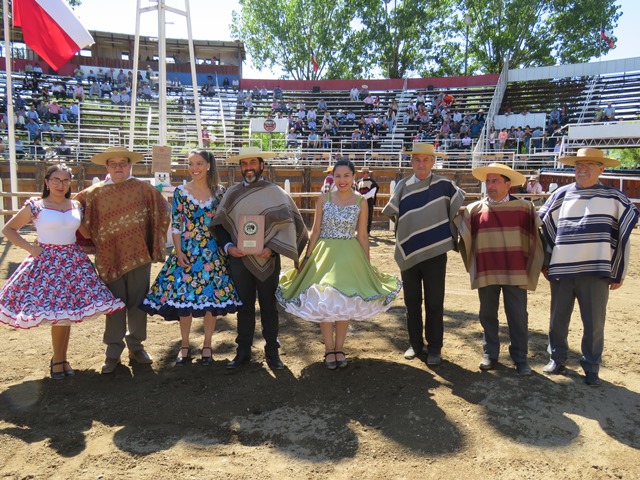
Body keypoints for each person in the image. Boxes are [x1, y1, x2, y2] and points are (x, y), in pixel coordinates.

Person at [0, 165, 124, 379]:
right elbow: (8, 229)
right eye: (56, 180)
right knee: (59, 314)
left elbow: (86, 232)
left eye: (65, 180)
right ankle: (58, 360)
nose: (61, 184)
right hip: (47, 265)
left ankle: (61, 358)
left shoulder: (75, 205)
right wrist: (30, 248)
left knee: (64, 314)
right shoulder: (36, 206)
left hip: (73, 264)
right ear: (47, 182)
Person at [277, 160, 401, 369]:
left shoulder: (361, 201)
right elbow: (315, 231)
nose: (342, 180)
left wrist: (366, 264)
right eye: (338, 176)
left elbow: (362, 235)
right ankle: (328, 350)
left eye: (346, 176)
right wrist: (306, 258)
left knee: (344, 301)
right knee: (325, 301)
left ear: (354, 177)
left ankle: (340, 348)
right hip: (323, 255)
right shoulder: (323, 198)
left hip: (349, 255)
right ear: (333, 177)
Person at [538, 148, 639, 386]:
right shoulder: (561, 195)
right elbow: (544, 230)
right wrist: (545, 262)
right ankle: (557, 358)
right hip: (561, 270)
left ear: (602, 169)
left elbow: (624, 238)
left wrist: (619, 271)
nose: (582, 169)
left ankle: (592, 366)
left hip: (596, 272)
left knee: (594, 323)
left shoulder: (615, 198)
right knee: (557, 319)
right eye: (578, 165)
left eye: (589, 165)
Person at [75, 146, 171, 374]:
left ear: (130, 166)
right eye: (113, 164)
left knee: (138, 303)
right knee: (114, 305)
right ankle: (113, 351)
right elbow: (72, 208)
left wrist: (152, 242)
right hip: (109, 257)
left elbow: (164, 210)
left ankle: (136, 346)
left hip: (139, 255)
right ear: (107, 167)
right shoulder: (94, 193)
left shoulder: (143, 189)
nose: (118, 168)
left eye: (123, 163)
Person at [142, 150, 242, 366]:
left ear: (208, 165)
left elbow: (225, 223)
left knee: (210, 301)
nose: (194, 168)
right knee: (184, 301)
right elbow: (176, 225)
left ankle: (207, 345)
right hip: (187, 251)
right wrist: (178, 252)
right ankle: (185, 345)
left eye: (198, 163)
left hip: (213, 253)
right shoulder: (181, 191)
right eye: (190, 164)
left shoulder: (220, 192)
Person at [213, 147, 308, 370]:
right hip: (239, 260)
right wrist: (228, 247)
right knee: (244, 307)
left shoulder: (275, 193)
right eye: (244, 164)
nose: (248, 168)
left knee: (269, 306)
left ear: (261, 165)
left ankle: (272, 352)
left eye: (252, 163)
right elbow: (219, 225)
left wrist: (273, 249)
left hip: (267, 259)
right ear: (240, 167)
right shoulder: (232, 193)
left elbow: (290, 225)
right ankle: (243, 351)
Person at [455, 163, 545, 375]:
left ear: (508, 184)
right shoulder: (473, 210)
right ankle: (490, 353)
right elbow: (463, 237)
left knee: (518, 315)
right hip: (487, 271)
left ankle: (520, 357)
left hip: (516, 270)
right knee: (487, 314)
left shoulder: (524, 208)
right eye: (488, 181)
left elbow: (535, 239)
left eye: (495, 181)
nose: (490, 185)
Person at [382, 143, 465, 365]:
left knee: (435, 302)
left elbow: (459, 207)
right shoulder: (402, 185)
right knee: (411, 301)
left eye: (426, 160)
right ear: (411, 162)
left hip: (436, 253)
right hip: (409, 252)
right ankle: (415, 344)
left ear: (433, 162)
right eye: (417, 159)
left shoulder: (445, 185)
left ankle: (435, 348)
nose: (421, 164)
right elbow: (394, 214)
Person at [357, 168, 379, 234]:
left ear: (368, 173)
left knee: (368, 216)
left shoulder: (372, 182)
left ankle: (367, 231)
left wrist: (362, 197)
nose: (362, 174)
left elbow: (372, 193)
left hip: (368, 201)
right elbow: (356, 191)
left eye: (364, 173)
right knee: (359, 216)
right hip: (360, 201)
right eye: (362, 173)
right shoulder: (359, 182)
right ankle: (360, 230)